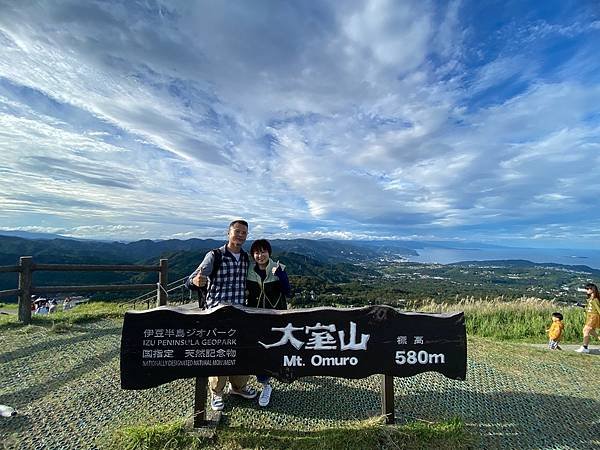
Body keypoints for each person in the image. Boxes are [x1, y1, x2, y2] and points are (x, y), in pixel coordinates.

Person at [186, 219, 257, 410]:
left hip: (240, 313)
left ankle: (239, 387)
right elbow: (190, 280)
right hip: (217, 315)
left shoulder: (245, 258)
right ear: (228, 233)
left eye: (244, 233)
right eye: (237, 231)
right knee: (219, 353)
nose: (241, 235)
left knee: (241, 352)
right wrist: (196, 281)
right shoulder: (214, 255)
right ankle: (216, 392)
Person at [246, 238, 291, 407]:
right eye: (257, 252)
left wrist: (280, 275)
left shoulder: (279, 268)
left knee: (274, 348)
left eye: (263, 251)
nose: (260, 255)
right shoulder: (248, 270)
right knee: (259, 349)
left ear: (269, 253)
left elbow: (287, 292)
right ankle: (265, 382)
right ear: (253, 255)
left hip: (275, 316)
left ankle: (268, 382)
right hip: (254, 316)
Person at [575, 282, 600, 353]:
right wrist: (582, 306)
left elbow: (598, 309)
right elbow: (589, 307)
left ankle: (585, 347)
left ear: (593, 289)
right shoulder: (590, 299)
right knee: (591, 331)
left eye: (588, 289)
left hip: (593, 316)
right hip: (589, 316)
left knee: (586, 330)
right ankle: (585, 347)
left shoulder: (595, 299)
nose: (587, 290)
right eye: (586, 289)